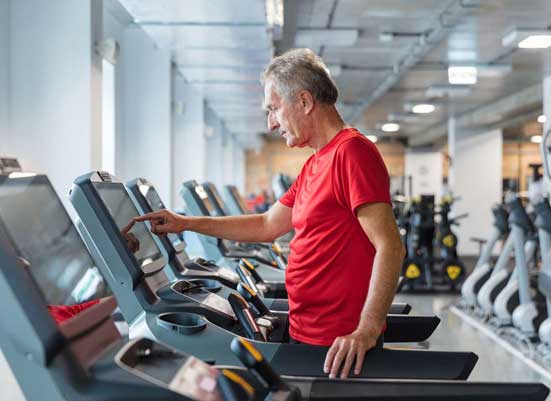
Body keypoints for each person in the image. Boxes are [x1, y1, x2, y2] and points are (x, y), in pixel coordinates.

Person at [134, 48, 405, 379]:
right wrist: (184, 223)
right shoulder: (315, 162)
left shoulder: (352, 153)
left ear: (304, 102)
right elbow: (266, 224)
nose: (271, 122)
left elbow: (390, 246)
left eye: (274, 108)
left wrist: (367, 329)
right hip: (306, 330)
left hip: (336, 346)